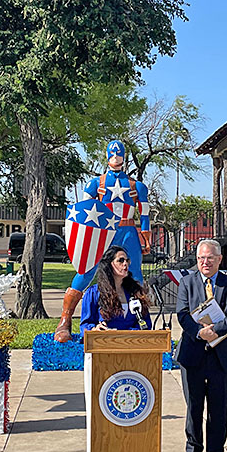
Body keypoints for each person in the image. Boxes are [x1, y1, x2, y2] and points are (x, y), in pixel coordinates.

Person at [55, 140, 151, 342]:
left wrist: (146, 236)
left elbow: (145, 214)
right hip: (103, 233)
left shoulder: (137, 186)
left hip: (128, 231)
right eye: (112, 153)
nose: (116, 156)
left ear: (124, 156)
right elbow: (83, 214)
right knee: (86, 271)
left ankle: (141, 320)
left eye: (119, 153)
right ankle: (65, 320)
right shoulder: (94, 184)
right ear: (106, 156)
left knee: (135, 274)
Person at [175, 239, 227, 452]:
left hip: (220, 357)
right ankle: (193, 451)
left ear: (219, 259)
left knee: (218, 407)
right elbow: (182, 314)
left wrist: (215, 330)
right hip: (193, 354)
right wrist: (199, 332)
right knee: (193, 406)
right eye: (201, 258)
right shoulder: (187, 282)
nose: (205, 262)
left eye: (210, 258)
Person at [80, 245, 153, 333]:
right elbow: (85, 325)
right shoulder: (94, 293)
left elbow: (146, 323)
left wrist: (129, 333)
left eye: (127, 261)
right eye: (121, 260)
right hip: (105, 339)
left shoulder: (135, 291)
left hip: (133, 340)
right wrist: (95, 329)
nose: (125, 264)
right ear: (109, 264)